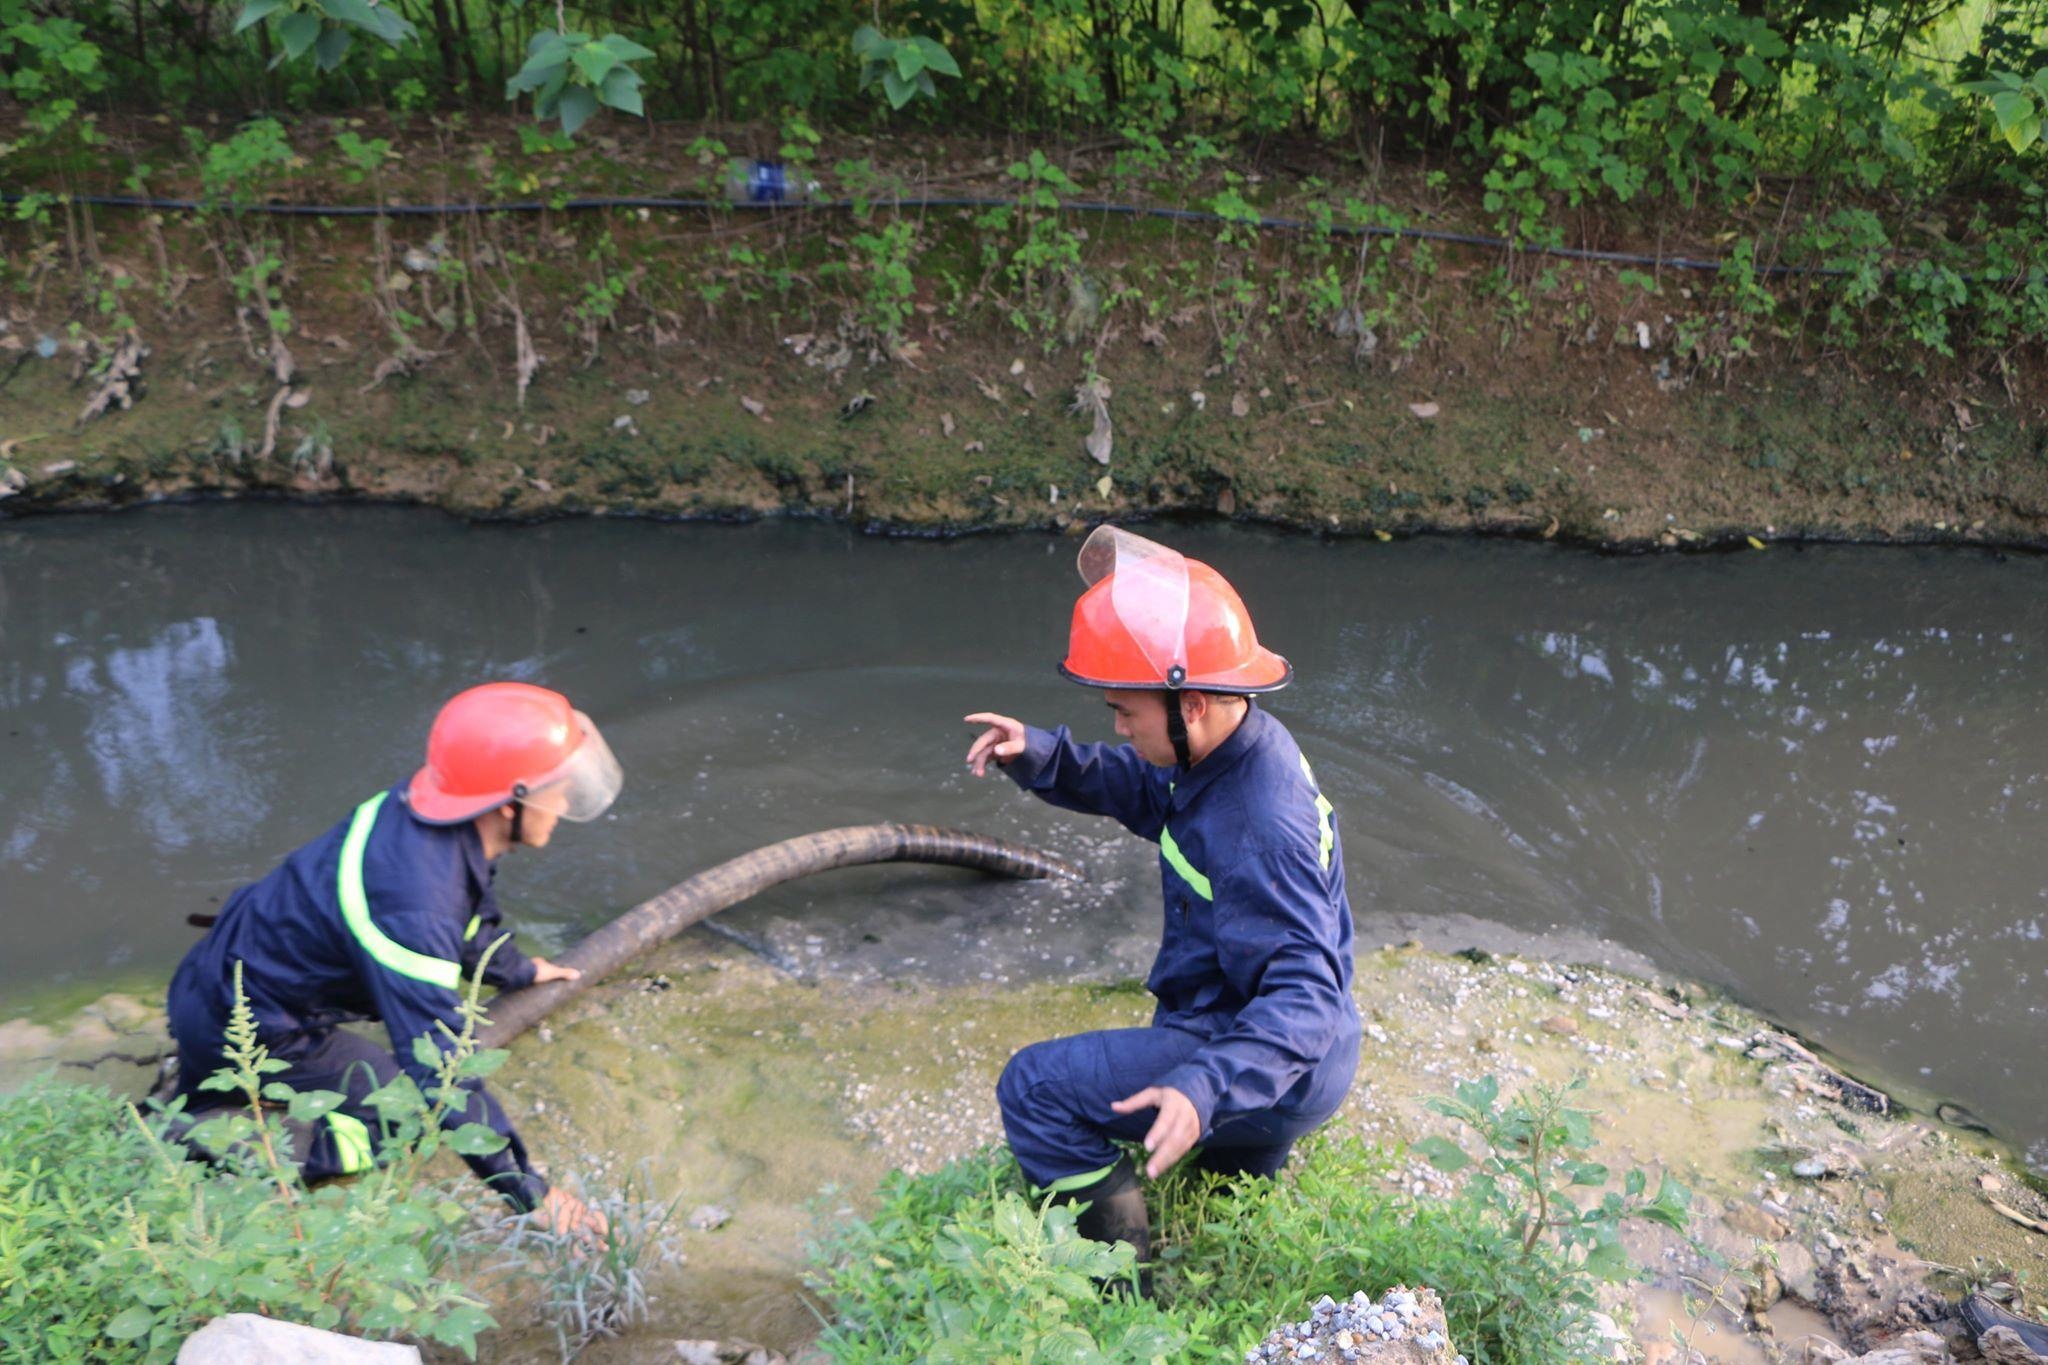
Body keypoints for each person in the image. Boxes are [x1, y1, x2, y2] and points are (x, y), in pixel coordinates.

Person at [964, 526, 1359, 1286]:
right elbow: (1150, 789)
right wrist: (1043, 756)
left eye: (1126, 711)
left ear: (1193, 702)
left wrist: (1204, 1082)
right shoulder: (1227, 748)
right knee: (1221, 1202)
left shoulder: (1259, 823)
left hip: (1268, 1051)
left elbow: (1306, 995)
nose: (1117, 725)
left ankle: (1118, 1287)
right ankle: (1224, 1202)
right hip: (1275, 1045)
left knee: (1035, 1088)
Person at [166, 681, 622, 1237]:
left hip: (217, 981)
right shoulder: (416, 910)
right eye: (558, 791)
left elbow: (467, 914)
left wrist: (517, 971)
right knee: (404, 1115)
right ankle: (213, 1141)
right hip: (254, 1028)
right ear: (509, 803)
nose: (565, 805)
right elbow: (439, 1068)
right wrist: (531, 1192)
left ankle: (211, 1095)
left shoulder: (427, 814)